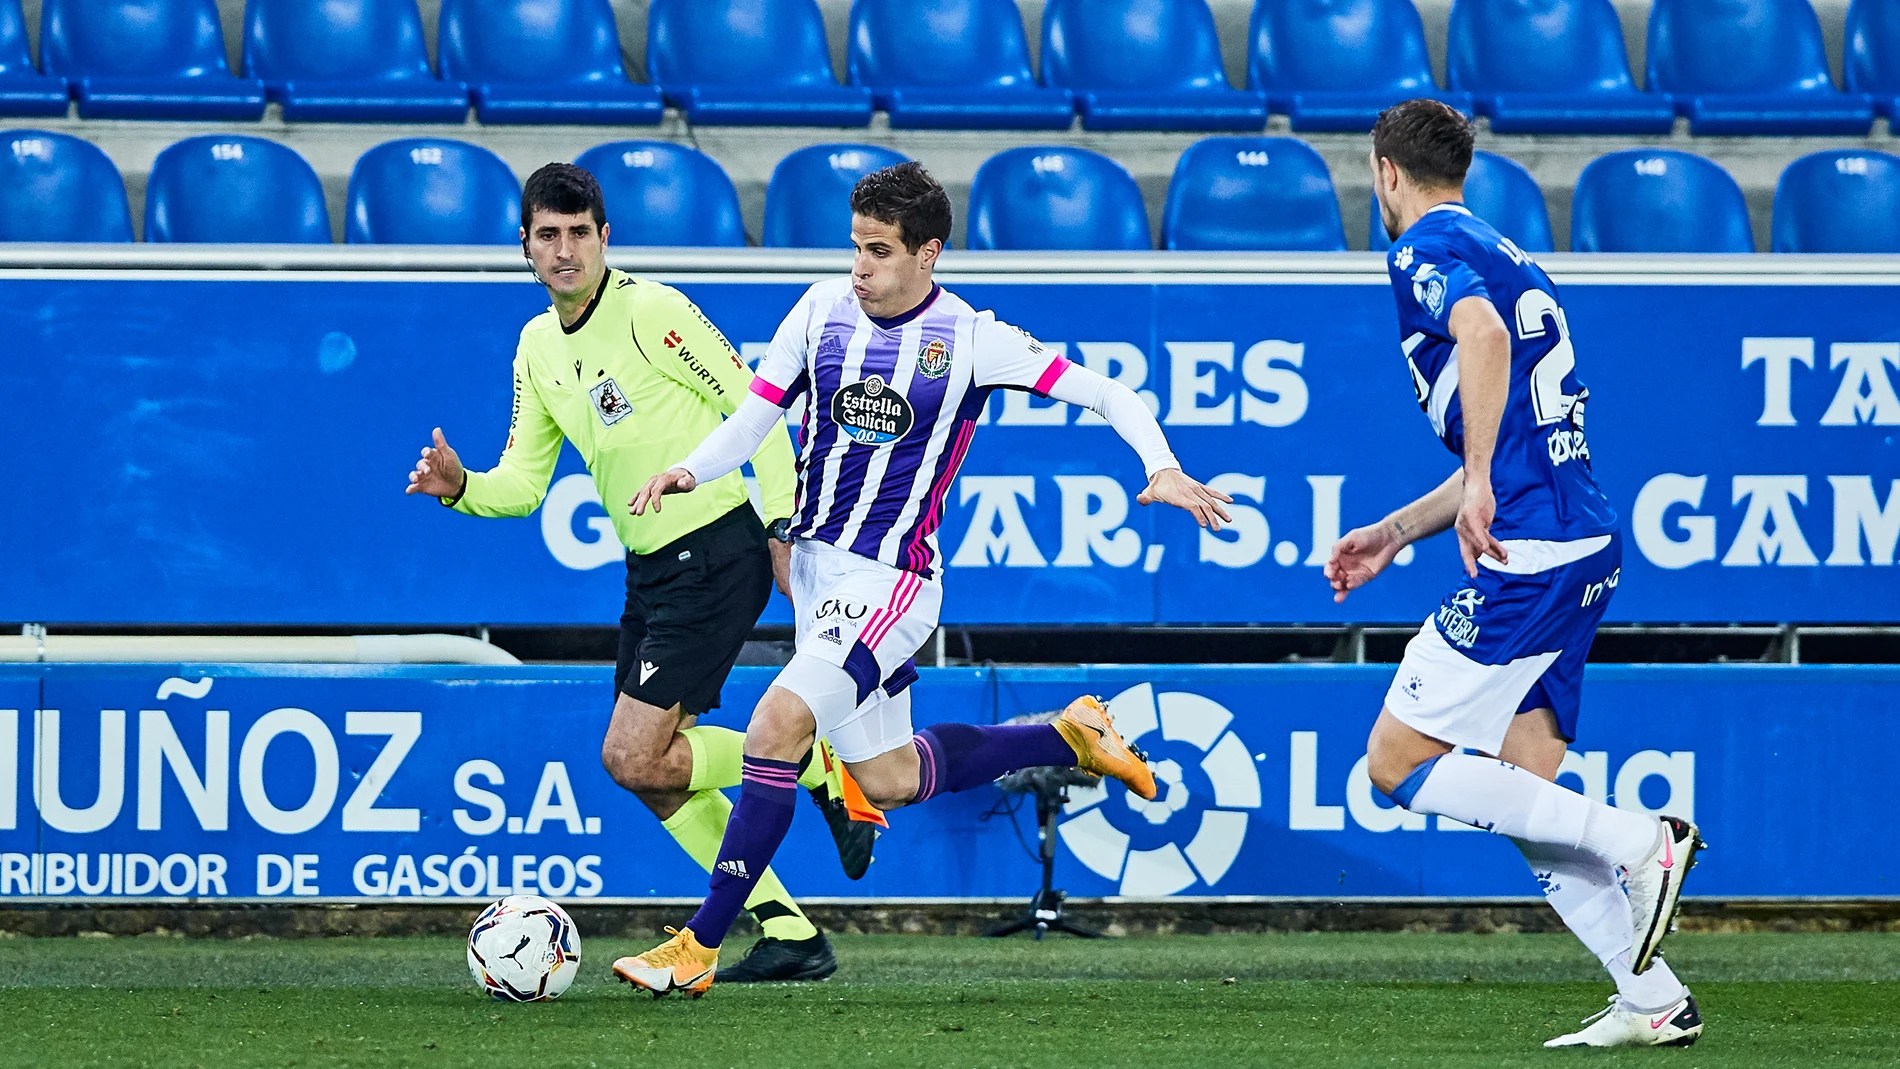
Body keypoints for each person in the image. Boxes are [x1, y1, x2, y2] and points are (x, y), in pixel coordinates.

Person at [613, 162, 1233, 996]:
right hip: (821, 574)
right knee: (887, 778)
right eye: (855, 246)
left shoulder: (973, 340)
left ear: (928, 254)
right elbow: (755, 415)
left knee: (775, 726)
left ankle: (699, 943)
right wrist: (691, 471)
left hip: (892, 583)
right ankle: (1068, 735)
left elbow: (1108, 393)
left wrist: (1160, 464)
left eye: (879, 250)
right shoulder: (821, 310)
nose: (860, 266)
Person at [405, 162, 878, 983]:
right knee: (655, 775)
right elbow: (522, 483)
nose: (564, 251)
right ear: (524, 246)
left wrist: (778, 523)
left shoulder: (653, 311)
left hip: (718, 547)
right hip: (652, 568)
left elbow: (757, 408)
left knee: (631, 755)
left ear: (604, 237)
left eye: (579, 233)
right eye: (547, 236)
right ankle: (790, 932)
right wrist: (463, 489)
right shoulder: (535, 347)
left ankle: (813, 764)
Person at [1325, 100, 1706, 1048]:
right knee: (1528, 791)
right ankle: (1651, 995)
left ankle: (1644, 842)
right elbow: (1516, 413)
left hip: (1529, 553)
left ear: (1385, 174)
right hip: (1583, 544)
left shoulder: (1420, 252)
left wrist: (1485, 480)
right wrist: (1401, 529)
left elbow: (1484, 340)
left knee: (1393, 763)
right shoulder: (1513, 251)